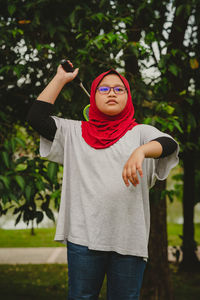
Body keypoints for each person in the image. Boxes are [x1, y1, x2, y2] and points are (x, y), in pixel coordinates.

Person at [27, 61, 179, 300]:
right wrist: (60, 79)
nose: (111, 93)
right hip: (83, 238)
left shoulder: (140, 133)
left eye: (119, 89)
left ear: (128, 98)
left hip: (129, 239)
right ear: (93, 97)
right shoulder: (73, 132)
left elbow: (168, 144)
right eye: (104, 89)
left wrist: (140, 151)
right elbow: (36, 117)